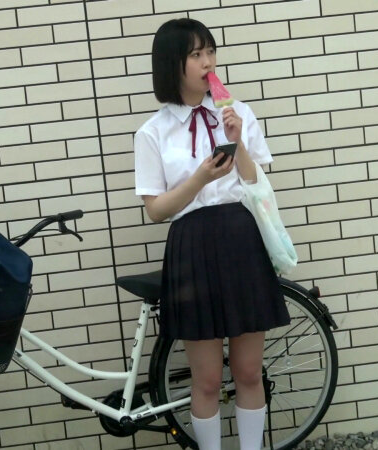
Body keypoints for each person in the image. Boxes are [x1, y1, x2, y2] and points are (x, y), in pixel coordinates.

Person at [133, 18, 292, 450]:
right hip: (191, 246)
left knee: (249, 372)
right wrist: (200, 179)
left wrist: (237, 142)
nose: (208, 63)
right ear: (173, 64)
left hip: (241, 238)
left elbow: (257, 181)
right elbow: (156, 210)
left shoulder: (238, 113)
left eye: (210, 52)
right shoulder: (152, 132)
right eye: (196, 55)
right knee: (205, 380)